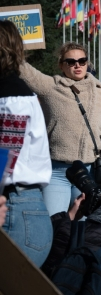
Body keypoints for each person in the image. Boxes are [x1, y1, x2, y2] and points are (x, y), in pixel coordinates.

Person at [18, 42, 101, 216]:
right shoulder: (50, 86)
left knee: (83, 230)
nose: (77, 65)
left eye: (82, 61)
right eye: (71, 61)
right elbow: (24, 71)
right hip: (57, 172)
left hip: (90, 172)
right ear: (61, 65)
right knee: (56, 224)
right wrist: (8, 44)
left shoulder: (100, 90)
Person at [0, 20, 52, 266]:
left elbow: (5, 156)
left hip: (14, 210)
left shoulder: (11, 95)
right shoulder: (17, 93)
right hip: (23, 208)